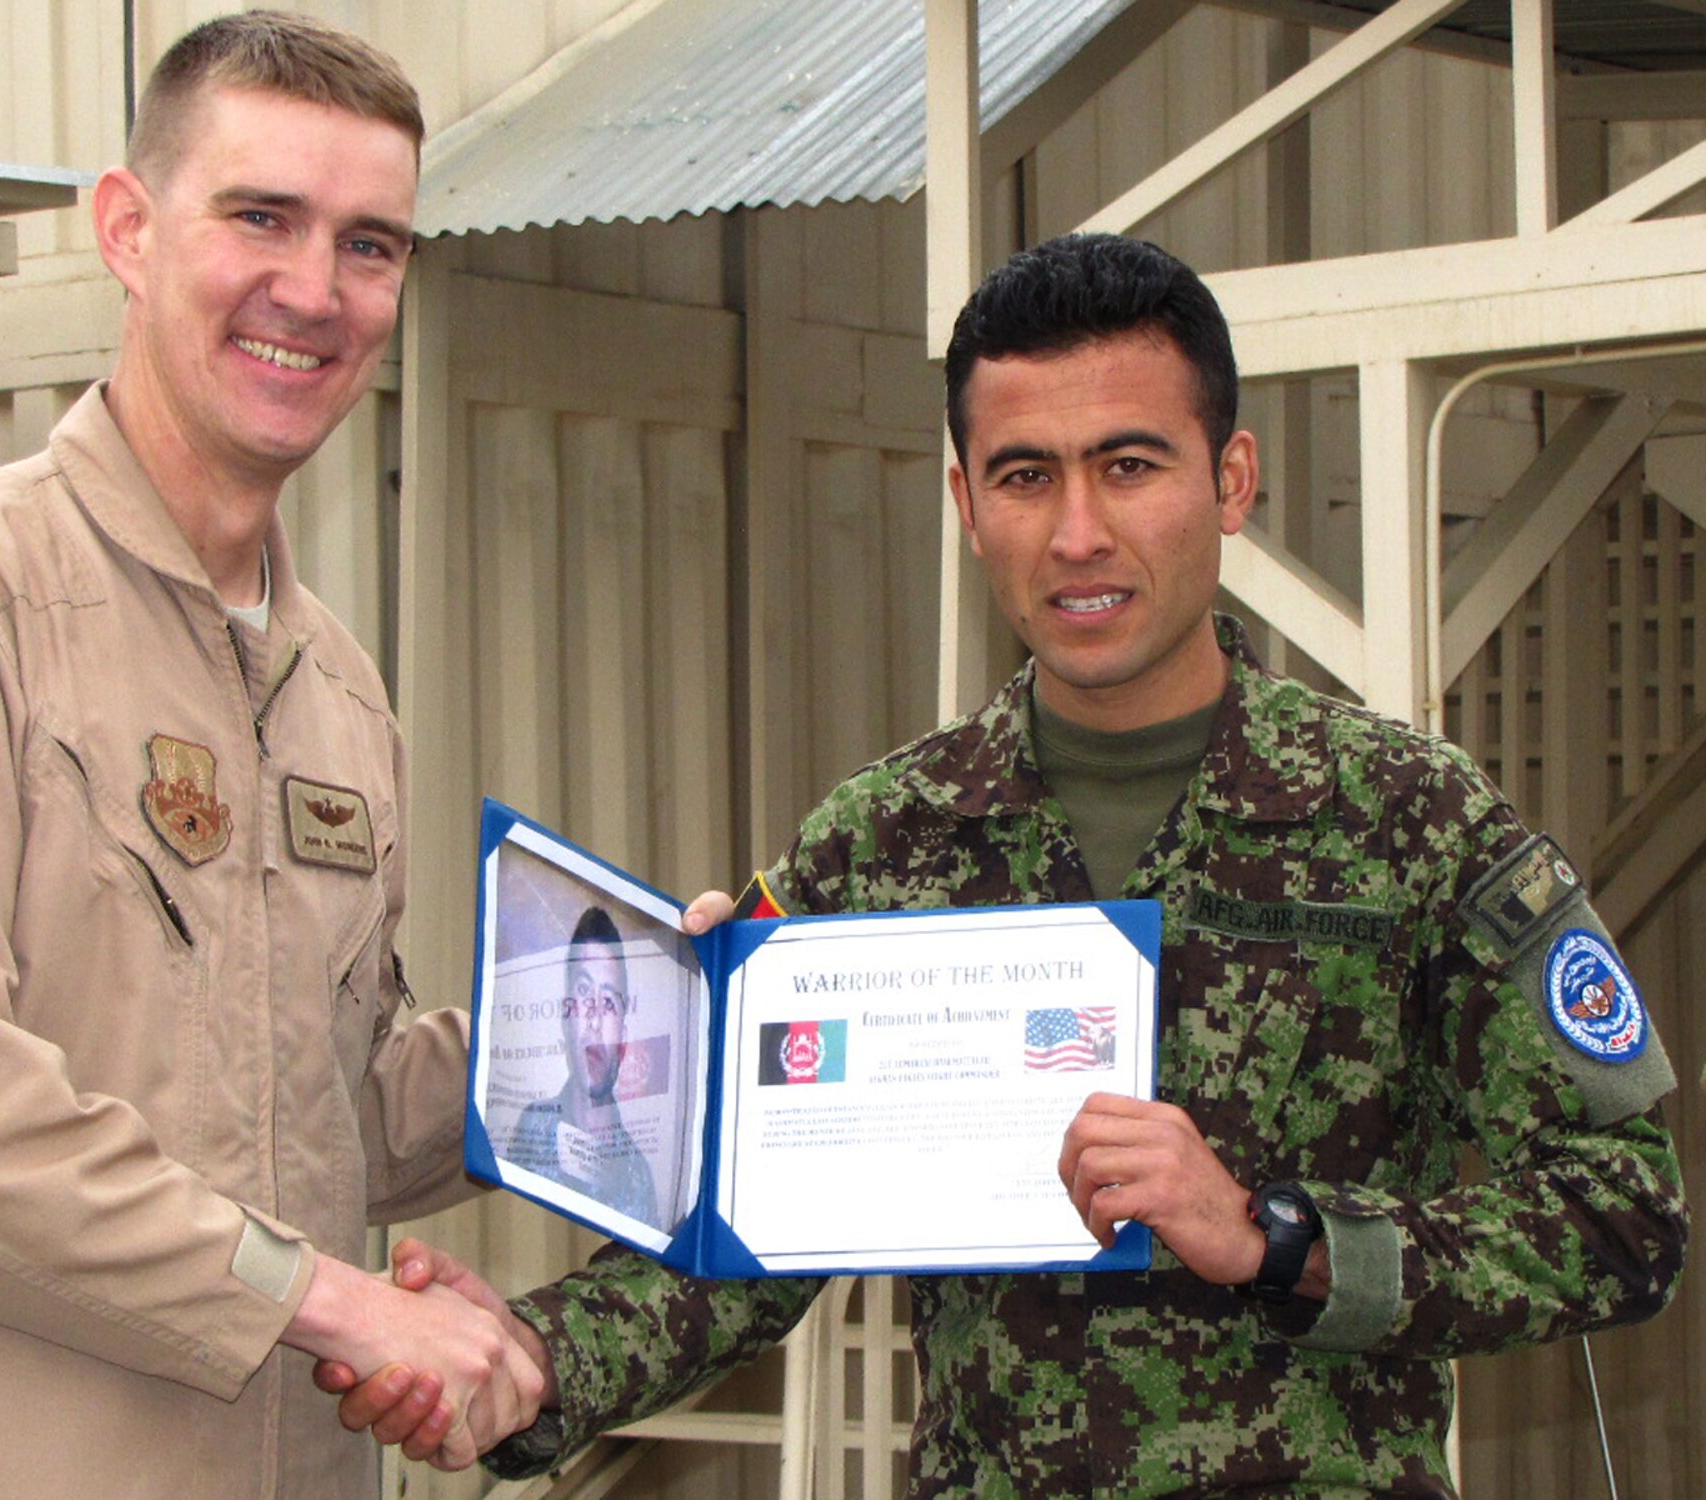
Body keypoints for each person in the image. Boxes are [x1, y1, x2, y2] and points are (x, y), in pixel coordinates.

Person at [329, 233, 1688, 1495]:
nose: (1080, 533)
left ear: (1232, 480)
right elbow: (744, 1238)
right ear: (969, 504)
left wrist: (1277, 1235)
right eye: (1029, 476)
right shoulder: (886, 840)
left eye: (1133, 465)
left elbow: (1626, 1216)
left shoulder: (1407, 821)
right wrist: (526, 1363)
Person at [0, 12, 540, 1498]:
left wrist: (648, 1032)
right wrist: (334, 1301)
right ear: (128, 227)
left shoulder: (335, 688)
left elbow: (315, 1114)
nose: (316, 290)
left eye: (371, 244)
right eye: (261, 218)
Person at [502, 906, 660, 1226]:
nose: (594, 1021)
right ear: (565, 1017)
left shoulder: (638, 1175)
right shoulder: (531, 1131)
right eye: (584, 993)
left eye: (609, 1002)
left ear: (624, 1037)